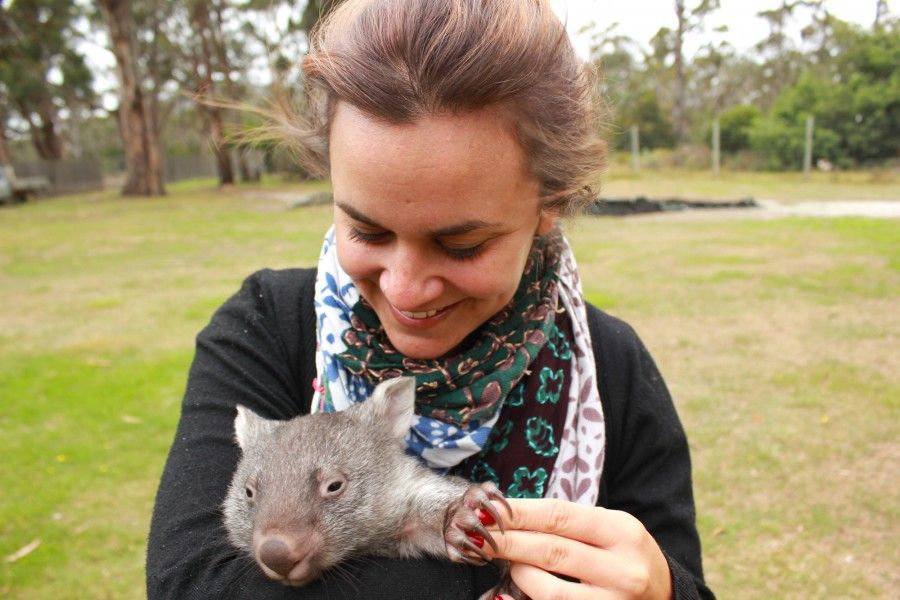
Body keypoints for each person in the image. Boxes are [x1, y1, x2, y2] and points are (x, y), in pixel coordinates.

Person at [146, 1, 714, 599]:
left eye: (462, 244)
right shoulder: (268, 327)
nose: (405, 289)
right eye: (367, 232)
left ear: (549, 205)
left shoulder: (611, 368)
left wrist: (663, 591)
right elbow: (193, 585)